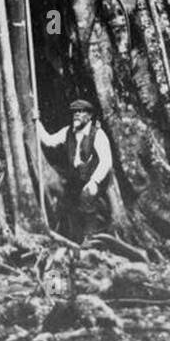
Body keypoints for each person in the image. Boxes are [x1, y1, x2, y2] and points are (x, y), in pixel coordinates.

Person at [38, 98, 113, 241]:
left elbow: (106, 161)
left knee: (88, 198)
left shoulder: (97, 134)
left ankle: (92, 238)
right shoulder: (68, 132)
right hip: (77, 179)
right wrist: (37, 123)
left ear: (89, 116)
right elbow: (49, 141)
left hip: (94, 180)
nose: (77, 115)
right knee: (68, 202)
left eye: (81, 111)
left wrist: (94, 181)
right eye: (75, 112)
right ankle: (75, 239)